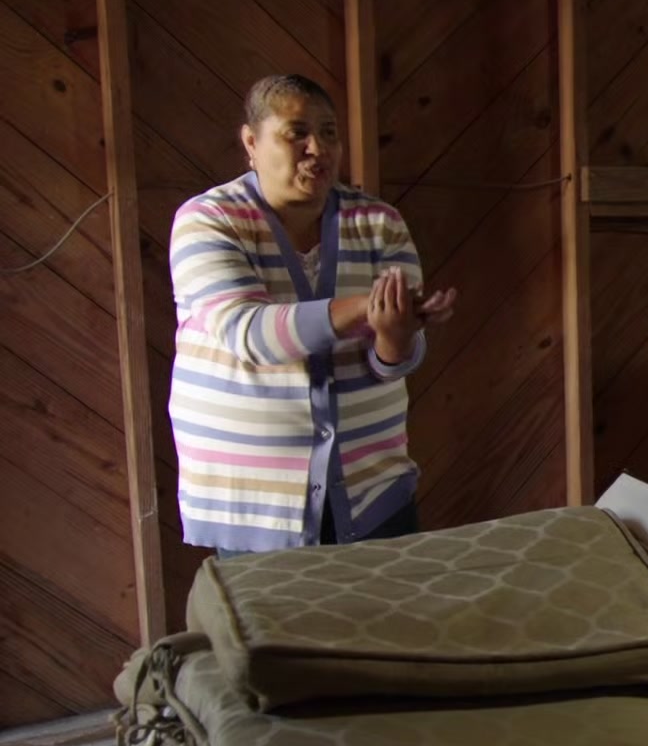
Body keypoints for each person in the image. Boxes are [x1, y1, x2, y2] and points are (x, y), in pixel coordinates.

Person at [168, 74, 456, 558]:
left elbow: (395, 362)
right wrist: (365, 307)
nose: (317, 148)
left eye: (328, 133)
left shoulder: (379, 223)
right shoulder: (208, 220)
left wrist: (396, 335)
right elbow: (249, 333)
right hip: (256, 507)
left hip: (372, 495)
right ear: (251, 142)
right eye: (296, 132)